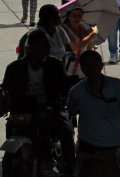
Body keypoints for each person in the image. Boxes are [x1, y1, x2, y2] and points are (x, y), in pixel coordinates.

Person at [2, 29, 76, 175]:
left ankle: (71, 170)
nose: (48, 49)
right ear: (32, 47)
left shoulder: (54, 65)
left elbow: (63, 87)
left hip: (50, 111)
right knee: (10, 129)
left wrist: (57, 102)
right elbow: (6, 90)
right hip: (23, 113)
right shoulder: (14, 68)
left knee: (66, 132)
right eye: (45, 46)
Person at [68, 50, 120, 177]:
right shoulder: (76, 92)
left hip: (114, 150)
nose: (92, 69)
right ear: (82, 68)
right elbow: (71, 114)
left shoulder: (118, 86)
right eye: (87, 65)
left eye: (95, 64)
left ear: (101, 65)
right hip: (88, 150)